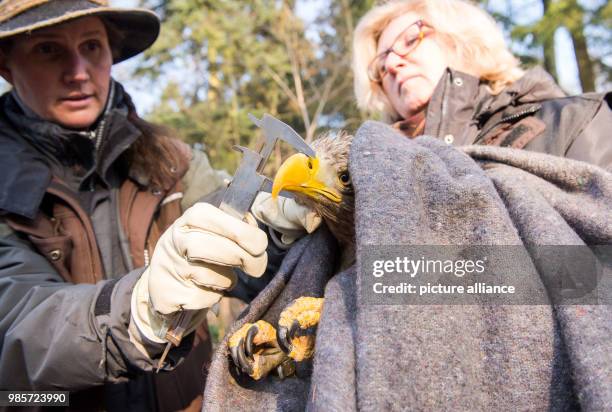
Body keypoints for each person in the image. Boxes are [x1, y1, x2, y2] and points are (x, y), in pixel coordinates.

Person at [0, 1, 308, 410]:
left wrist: (275, 232)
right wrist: (138, 312)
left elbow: (251, 268)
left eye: (91, 46)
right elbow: (15, 323)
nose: (77, 71)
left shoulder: (171, 162)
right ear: (6, 65)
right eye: (48, 49)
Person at [352, 0, 611, 170]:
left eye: (409, 40)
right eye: (381, 65)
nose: (393, 65)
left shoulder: (578, 119)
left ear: (462, 39)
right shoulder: (375, 169)